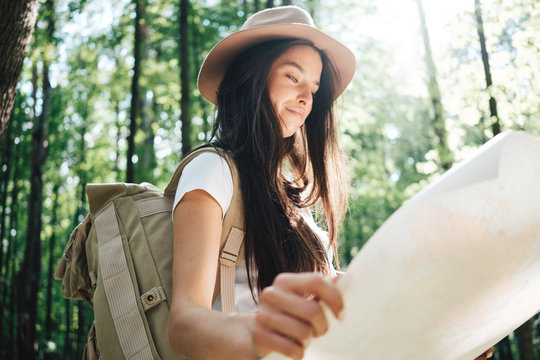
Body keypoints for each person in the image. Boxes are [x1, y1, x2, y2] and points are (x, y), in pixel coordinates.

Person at [167, 5, 494, 360]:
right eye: (293, 77)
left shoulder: (293, 201)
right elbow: (184, 325)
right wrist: (256, 332)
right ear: (251, 77)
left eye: (314, 86)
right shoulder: (211, 170)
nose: (307, 97)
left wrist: (440, 337)